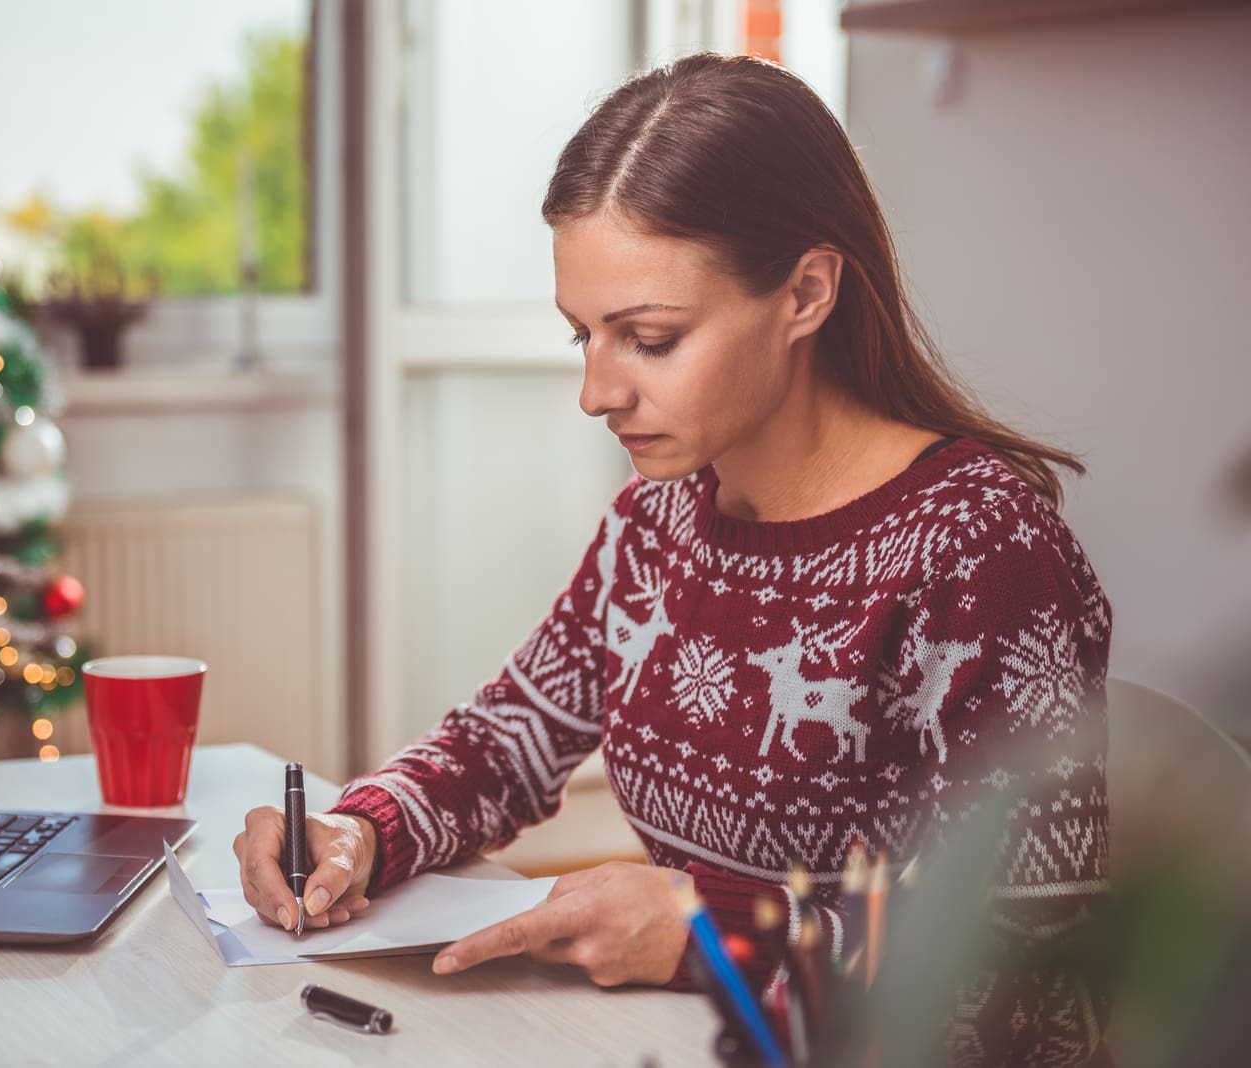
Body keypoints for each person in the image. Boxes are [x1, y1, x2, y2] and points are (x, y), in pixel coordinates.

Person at [235, 53, 1110, 1065]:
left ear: (806, 293)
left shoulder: (978, 549)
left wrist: (715, 930)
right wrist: (361, 833)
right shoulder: (658, 524)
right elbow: (509, 736)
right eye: (583, 339)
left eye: (648, 339)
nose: (597, 392)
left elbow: (1025, 960)